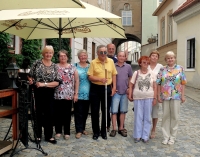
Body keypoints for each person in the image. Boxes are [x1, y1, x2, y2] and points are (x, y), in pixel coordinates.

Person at [29, 45, 61, 144]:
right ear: (43, 53)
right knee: (38, 113)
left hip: (50, 92)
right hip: (38, 92)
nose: (48, 54)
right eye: (46, 52)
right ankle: (38, 135)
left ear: (52, 54)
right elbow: (30, 76)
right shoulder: (37, 63)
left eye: (50, 52)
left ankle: (49, 136)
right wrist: (32, 81)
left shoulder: (55, 66)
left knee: (49, 114)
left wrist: (44, 84)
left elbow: (57, 82)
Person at [87, 45, 117, 140]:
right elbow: (90, 76)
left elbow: (114, 74)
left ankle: (104, 131)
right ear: (97, 53)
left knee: (105, 110)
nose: (103, 54)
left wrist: (114, 87)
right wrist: (100, 79)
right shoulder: (93, 62)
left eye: (105, 52)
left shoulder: (111, 61)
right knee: (95, 111)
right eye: (101, 52)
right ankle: (96, 131)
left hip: (106, 88)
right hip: (95, 88)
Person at [156, 51, 186, 145]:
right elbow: (158, 83)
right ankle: (166, 136)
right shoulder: (162, 69)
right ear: (166, 59)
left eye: (172, 57)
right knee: (165, 116)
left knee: (175, 117)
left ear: (175, 58)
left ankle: (172, 137)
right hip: (165, 96)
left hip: (176, 96)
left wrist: (183, 95)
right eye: (168, 58)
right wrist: (158, 96)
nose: (170, 59)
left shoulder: (180, 68)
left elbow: (183, 83)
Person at [128, 56, 157, 143]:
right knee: (138, 117)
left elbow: (155, 87)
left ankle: (145, 136)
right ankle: (137, 135)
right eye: (144, 62)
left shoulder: (152, 73)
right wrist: (130, 94)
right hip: (138, 97)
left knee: (147, 117)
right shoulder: (136, 73)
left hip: (149, 97)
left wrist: (155, 98)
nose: (146, 64)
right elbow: (131, 85)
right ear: (140, 63)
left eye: (147, 63)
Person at [54, 49, 79, 140]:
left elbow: (76, 81)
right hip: (57, 93)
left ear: (67, 57)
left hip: (68, 94)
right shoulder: (55, 67)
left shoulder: (72, 67)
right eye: (61, 56)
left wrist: (76, 93)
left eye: (64, 56)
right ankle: (58, 131)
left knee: (67, 114)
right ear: (58, 57)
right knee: (57, 113)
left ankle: (67, 132)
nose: (63, 57)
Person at [110, 51, 132, 137]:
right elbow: (111, 78)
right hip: (116, 92)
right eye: (120, 56)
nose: (121, 58)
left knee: (123, 111)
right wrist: (112, 88)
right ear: (117, 57)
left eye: (123, 56)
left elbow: (130, 77)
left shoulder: (128, 66)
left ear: (125, 58)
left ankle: (121, 128)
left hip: (124, 92)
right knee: (114, 111)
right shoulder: (113, 66)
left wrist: (129, 87)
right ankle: (114, 128)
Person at [74, 49, 90, 139]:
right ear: (78, 57)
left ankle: (83, 128)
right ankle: (78, 130)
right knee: (78, 112)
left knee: (85, 112)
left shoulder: (90, 66)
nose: (83, 57)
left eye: (85, 55)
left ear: (87, 56)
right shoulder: (75, 66)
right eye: (81, 55)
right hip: (78, 92)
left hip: (88, 92)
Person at [148, 50, 163, 139]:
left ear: (158, 58)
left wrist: (158, 95)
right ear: (150, 57)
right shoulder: (146, 65)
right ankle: (145, 128)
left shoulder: (160, 67)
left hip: (156, 91)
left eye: (156, 56)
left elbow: (161, 81)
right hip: (146, 91)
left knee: (155, 112)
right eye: (153, 55)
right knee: (146, 111)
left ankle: (153, 129)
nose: (154, 57)